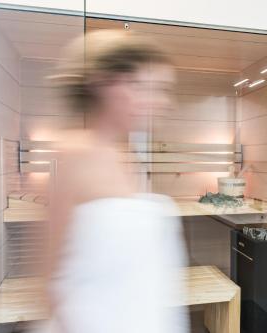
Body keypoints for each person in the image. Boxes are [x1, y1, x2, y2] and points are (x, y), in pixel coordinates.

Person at [34, 30, 189, 333]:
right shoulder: (70, 155)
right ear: (107, 83)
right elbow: (51, 277)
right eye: (148, 87)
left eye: (164, 90)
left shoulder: (129, 159)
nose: (162, 101)